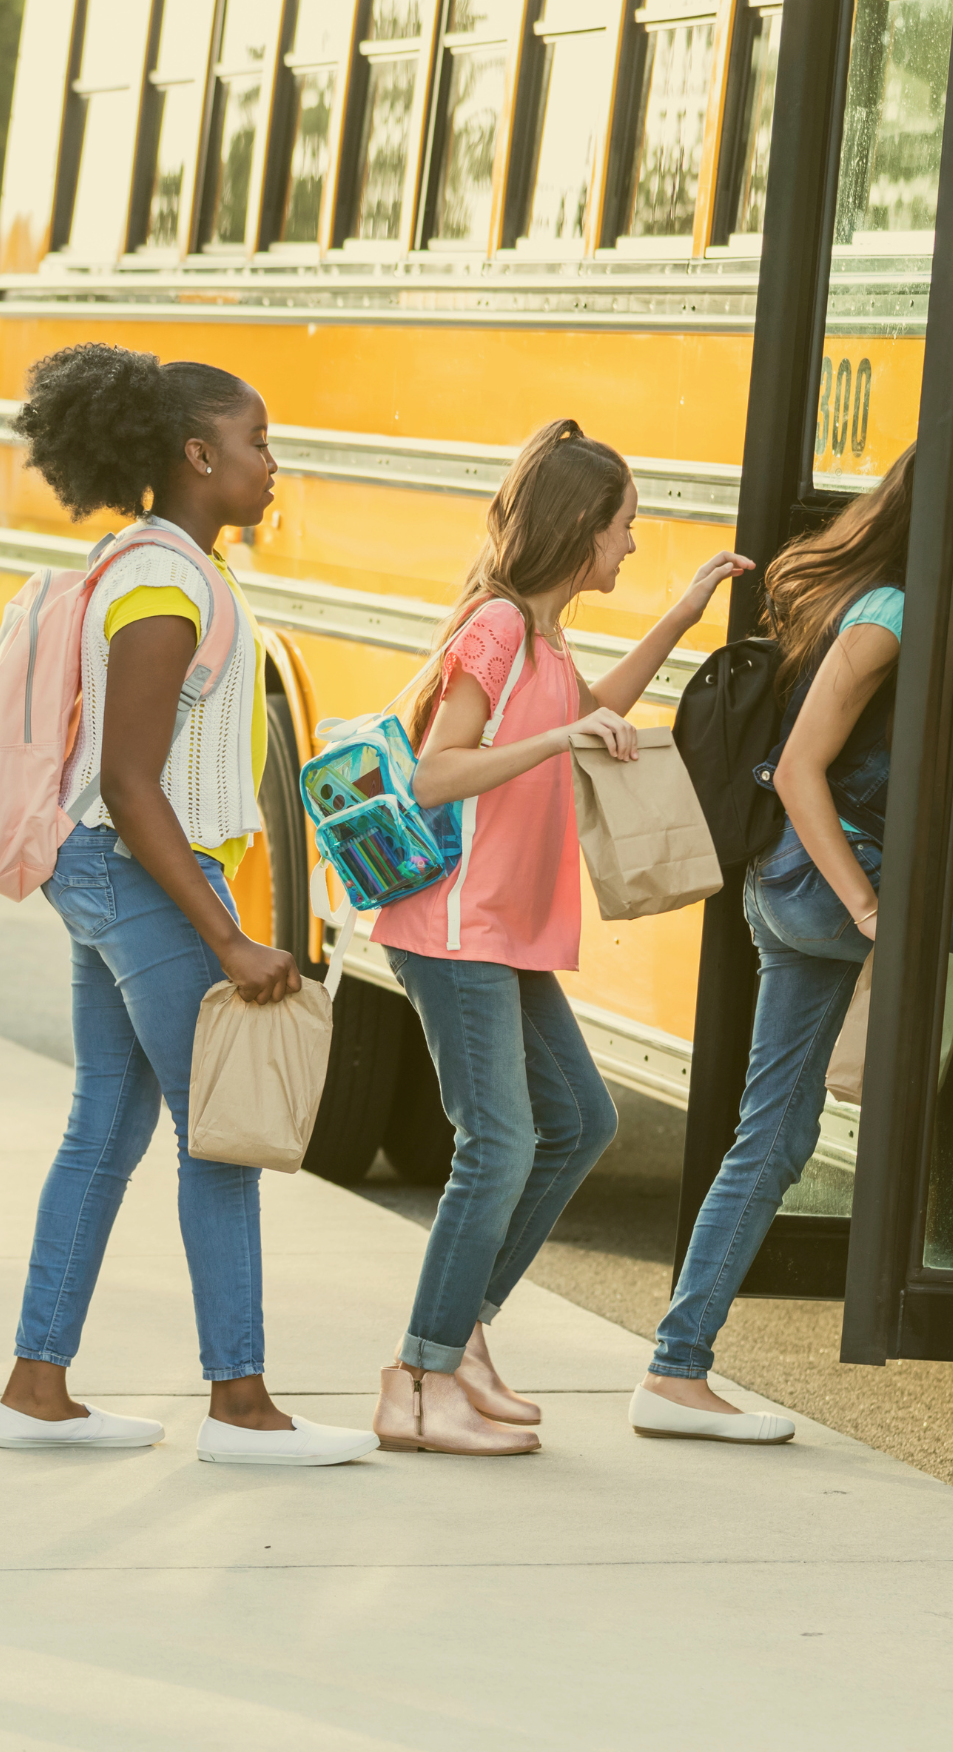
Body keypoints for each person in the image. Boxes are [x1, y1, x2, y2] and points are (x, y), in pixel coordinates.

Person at [633, 444, 953, 1444]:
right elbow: (799, 768)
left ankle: (675, 1370)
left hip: (794, 886)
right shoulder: (889, 614)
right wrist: (865, 908)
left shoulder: (916, 608)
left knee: (774, 1132)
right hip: (833, 877)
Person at [0, 343, 377, 1468]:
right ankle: (240, 1406)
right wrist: (228, 934)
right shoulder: (159, 581)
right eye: (257, 444)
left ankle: (34, 1384)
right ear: (197, 454)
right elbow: (125, 777)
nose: (272, 466)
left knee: (105, 1125)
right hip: (139, 869)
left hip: (117, 869)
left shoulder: (166, 562)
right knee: (218, 1135)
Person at [367, 419, 750, 1454]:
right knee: (496, 1146)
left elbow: (595, 712)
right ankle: (417, 1377)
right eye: (624, 527)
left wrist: (679, 614)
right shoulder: (493, 627)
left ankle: (460, 1332)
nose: (630, 544)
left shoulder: (543, 634)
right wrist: (551, 737)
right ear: (579, 527)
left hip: (507, 929)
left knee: (578, 1121)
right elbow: (436, 768)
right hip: (452, 926)